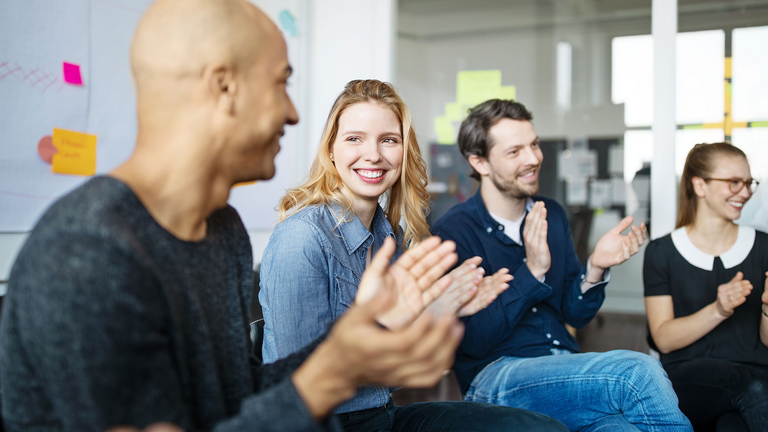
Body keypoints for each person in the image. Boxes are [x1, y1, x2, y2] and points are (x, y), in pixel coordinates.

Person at [0, 1, 477, 431]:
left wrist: (352, 348)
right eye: (281, 83)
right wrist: (336, 368)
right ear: (224, 87)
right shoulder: (87, 253)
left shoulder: (221, 231)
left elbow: (233, 398)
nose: (293, 114)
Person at [259, 80, 567, 432]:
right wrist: (420, 318)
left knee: (541, 429)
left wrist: (438, 311)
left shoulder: (389, 234)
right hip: (328, 426)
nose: (373, 154)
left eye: (388, 140)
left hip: (383, 415)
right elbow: (299, 387)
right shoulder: (302, 238)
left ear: (404, 151)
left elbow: (392, 381)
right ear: (331, 149)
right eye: (354, 138)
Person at [431, 99, 693, 431]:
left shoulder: (551, 213)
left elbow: (574, 314)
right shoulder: (454, 233)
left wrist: (595, 268)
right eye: (515, 152)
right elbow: (471, 343)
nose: (534, 158)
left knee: (622, 428)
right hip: (495, 378)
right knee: (636, 373)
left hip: (564, 365)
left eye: (535, 144)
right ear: (479, 162)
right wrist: (533, 272)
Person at [644, 142, 768, 430]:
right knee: (753, 389)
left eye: (749, 183)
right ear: (700, 186)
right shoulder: (663, 252)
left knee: (733, 424)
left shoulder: (764, 247)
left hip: (757, 376)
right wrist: (718, 310)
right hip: (690, 379)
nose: (746, 192)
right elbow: (663, 338)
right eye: (734, 182)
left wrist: (766, 309)